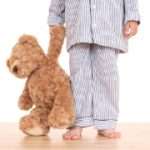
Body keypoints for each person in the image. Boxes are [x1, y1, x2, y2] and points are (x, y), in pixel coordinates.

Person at [48, 0, 140, 140]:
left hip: (108, 26)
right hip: (78, 27)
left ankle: (106, 121)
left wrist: (132, 17)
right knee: (78, 77)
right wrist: (55, 19)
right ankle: (77, 121)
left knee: (107, 76)